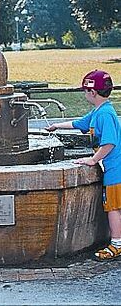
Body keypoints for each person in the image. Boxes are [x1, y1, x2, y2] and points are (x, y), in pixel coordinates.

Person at [45, 70, 121, 260]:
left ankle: (116, 245)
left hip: (116, 169)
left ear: (93, 92)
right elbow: (79, 124)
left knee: (113, 207)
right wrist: (56, 126)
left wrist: (93, 160)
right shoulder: (98, 111)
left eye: (85, 91)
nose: (84, 94)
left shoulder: (105, 114)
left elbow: (110, 143)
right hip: (113, 168)